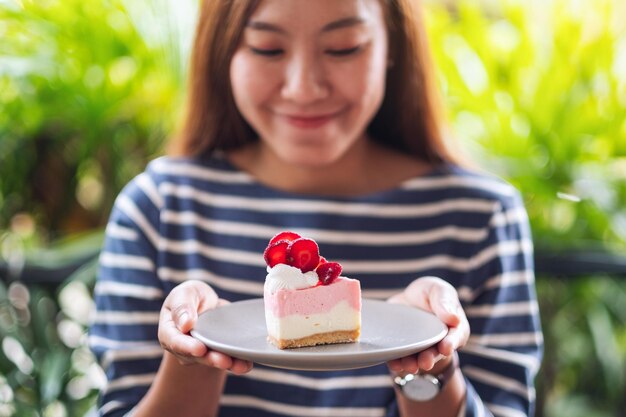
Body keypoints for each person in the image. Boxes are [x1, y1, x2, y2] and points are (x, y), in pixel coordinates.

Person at [89, 0, 543, 416]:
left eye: (344, 48)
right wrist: (200, 356)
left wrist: (426, 364)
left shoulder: (482, 217)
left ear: (391, 46)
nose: (304, 87)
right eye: (267, 48)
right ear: (223, 49)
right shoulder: (159, 209)